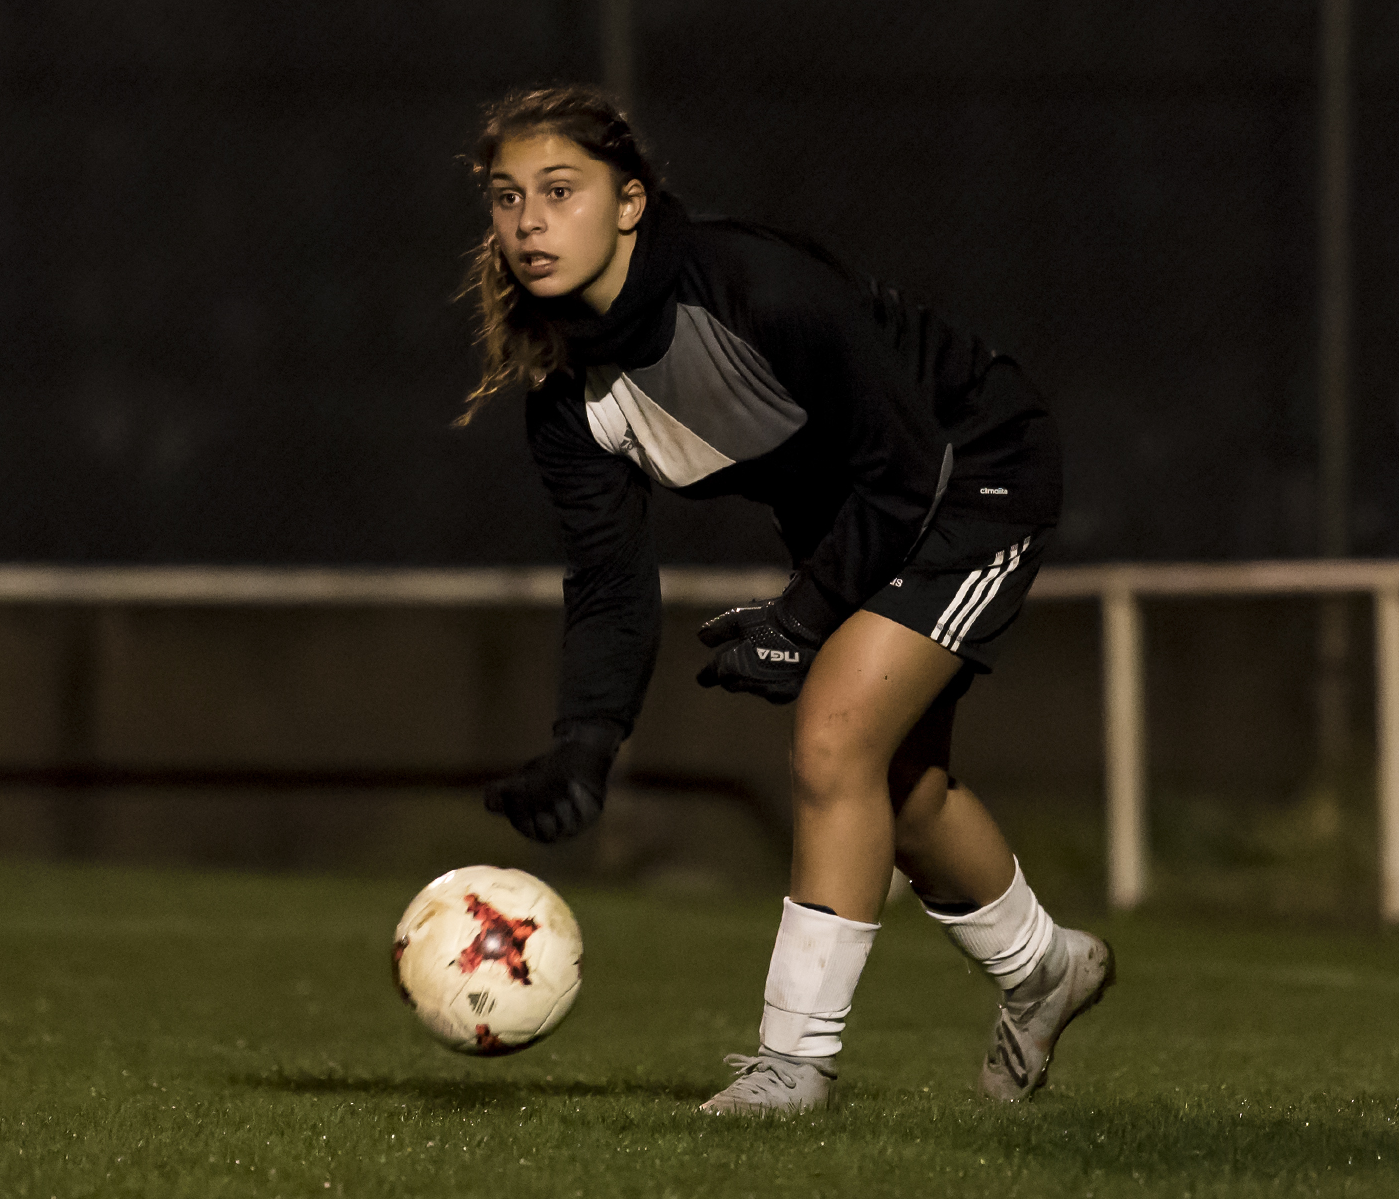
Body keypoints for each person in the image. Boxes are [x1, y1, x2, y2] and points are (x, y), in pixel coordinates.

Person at [467, 85, 1112, 1116]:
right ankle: (1044, 967)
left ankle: (794, 1063)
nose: (530, 221)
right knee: (900, 790)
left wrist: (799, 622)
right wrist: (585, 741)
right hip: (863, 500)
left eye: (559, 189)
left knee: (833, 736)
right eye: (506, 197)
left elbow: (904, 466)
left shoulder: (754, 286)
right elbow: (609, 581)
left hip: (968, 466)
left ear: (629, 201)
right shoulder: (570, 398)